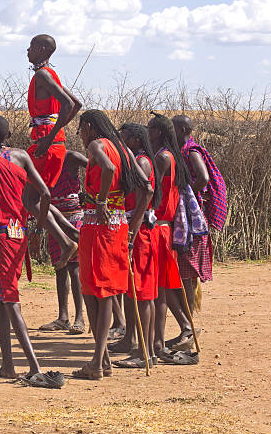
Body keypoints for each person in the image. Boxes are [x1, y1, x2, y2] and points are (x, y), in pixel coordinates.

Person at [0, 115, 64, 388]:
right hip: (17, 233)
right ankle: (8, 365)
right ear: (9, 133)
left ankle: (35, 368)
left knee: (9, 300)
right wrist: (37, 227)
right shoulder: (22, 156)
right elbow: (45, 193)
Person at [73, 110, 150, 380]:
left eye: (80, 129)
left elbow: (108, 169)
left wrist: (102, 200)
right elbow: (147, 189)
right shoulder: (122, 148)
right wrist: (135, 224)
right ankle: (102, 359)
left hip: (97, 226)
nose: (80, 135)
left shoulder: (98, 145)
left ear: (90, 127)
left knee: (97, 292)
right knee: (102, 291)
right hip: (119, 227)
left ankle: (97, 361)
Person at [24, 34, 81, 270]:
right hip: (51, 144)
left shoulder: (43, 75)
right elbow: (76, 104)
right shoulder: (48, 75)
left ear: (43, 49)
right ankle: (73, 235)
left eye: (31, 47)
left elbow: (69, 105)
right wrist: (53, 133)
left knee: (29, 199)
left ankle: (66, 241)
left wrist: (49, 137)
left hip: (47, 146)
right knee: (36, 198)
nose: (27, 51)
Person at [148, 112, 198, 364]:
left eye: (149, 129)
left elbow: (150, 190)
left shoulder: (162, 158)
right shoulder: (170, 156)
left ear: (156, 132)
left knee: (160, 288)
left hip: (158, 227)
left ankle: (157, 342)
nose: (147, 133)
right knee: (165, 286)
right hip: (166, 228)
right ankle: (180, 330)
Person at [114, 123, 162, 368]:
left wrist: (131, 232)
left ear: (134, 141)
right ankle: (134, 343)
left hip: (141, 232)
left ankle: (145, 353)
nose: (120, 143)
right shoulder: (137, 161)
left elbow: (146, 194)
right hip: (138, 229)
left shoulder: (142, 162)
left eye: (123, 139)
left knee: (143, 294)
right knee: (136, 292)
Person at [172, 114, 227, 322]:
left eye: (174, 128)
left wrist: (187, 196)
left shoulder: (192, 151)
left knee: (187, 274)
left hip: (192, 216)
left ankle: (189, 324)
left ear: (184, 131)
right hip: (187, 214)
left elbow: (202, 177)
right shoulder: (181, 151)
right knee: (184, 274)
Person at [38, 149, 87, 334]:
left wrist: (89, 194)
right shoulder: (43, 158)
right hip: (55, 219)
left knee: (75, 269)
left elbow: (96, 169)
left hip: (74, 217)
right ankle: (63, 317)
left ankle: (80, 318)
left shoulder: (71, 157)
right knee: (60, 268)